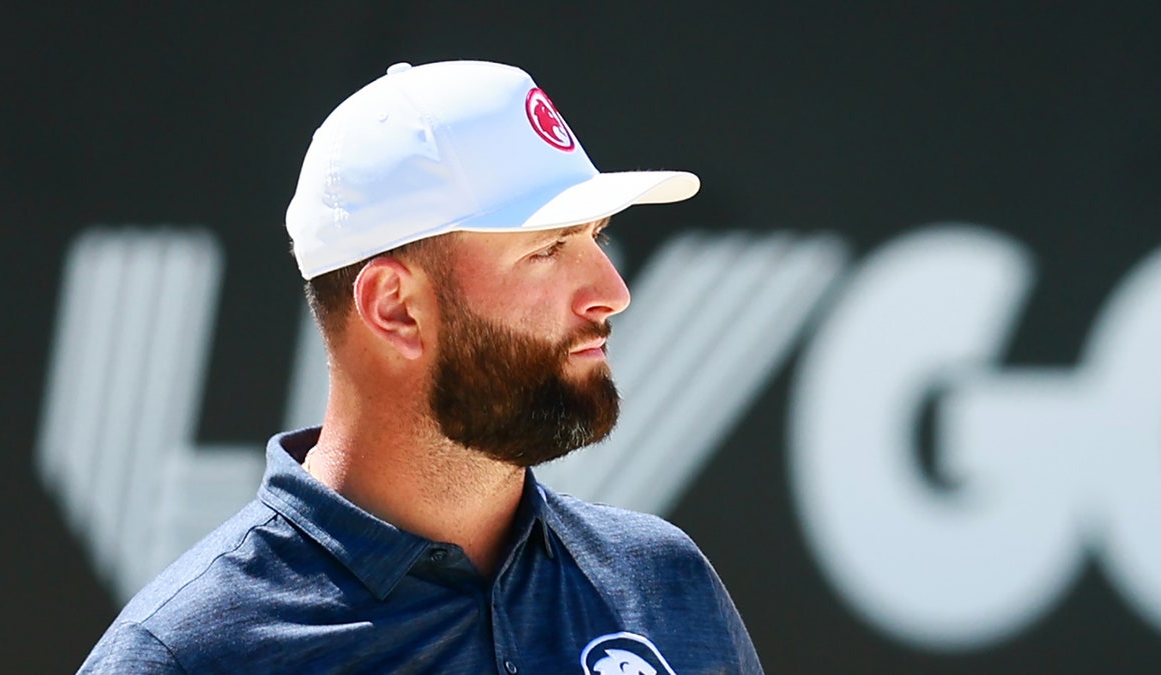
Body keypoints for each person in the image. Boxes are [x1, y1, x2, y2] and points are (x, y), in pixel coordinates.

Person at [80, 60, 764, 674]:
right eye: (549, 248)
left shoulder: (664, 584)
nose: (612, 291)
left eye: (595, 237)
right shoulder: (184, 655)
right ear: (395, 307)